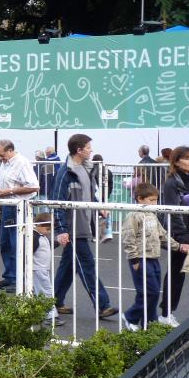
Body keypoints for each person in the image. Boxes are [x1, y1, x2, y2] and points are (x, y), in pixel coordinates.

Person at [50, 133, 117, 321]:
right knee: (87, 265)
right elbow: (57, 202)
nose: (91, 150)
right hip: (73, 229)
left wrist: (99, 208)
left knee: (68, 267)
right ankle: (103, 305)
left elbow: (88, 195)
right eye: (88, 147)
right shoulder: (65, 172)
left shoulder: (86, 169)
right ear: (79, 150)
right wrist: (61, 230)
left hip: (83, 226)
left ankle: (54, 300)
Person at [121, 182, 180, 330]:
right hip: (141, 258)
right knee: (150, 292)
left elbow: (162, 235)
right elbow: (128, 238)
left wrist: (179, 247)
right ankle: (131, 316)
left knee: (152, 292)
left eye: (156, 200)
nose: (155, 203)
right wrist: (134, 259)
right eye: (151, 200)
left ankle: (149, 323)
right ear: (140, 199)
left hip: (154, 258)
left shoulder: (152, 215)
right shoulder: (133, 215)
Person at [0, 140, 39, 292]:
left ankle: (20, 280)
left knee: (17, 244)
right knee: (5, 244)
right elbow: (7, 182)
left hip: (18, 207)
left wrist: (8, 191)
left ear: (10, 151)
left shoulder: (22, 163)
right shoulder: (6, 163)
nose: (0, 158)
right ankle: (10, 276)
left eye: (2, 155)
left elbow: (34, 186)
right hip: (7, 206)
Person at [159, 146, 189, 326]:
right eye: (187, 158)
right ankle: (166, 314)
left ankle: (166, 313)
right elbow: (173, 213)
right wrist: (184, 239)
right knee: (176, 274)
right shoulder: (172, 183)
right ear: (176, 161)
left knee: (184, 273)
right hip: (182, 237)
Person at [31, 213, 59, 326]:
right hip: (38, 269)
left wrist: (58, 242)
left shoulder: (42, 236)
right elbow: (27, 253)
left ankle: (37, 313)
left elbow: (48, 246)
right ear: (39, 225)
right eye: (47, 229)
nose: (48, 232)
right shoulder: (34, 237)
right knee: (46, 291)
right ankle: (51, 315)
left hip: (41, 269)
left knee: (37, 292)